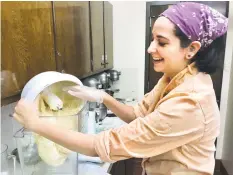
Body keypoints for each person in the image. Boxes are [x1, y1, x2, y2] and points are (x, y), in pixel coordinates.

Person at [13, 2, 228, 175]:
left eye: (162, 42)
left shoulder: (190, 101)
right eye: (153, 39)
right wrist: (104, 97)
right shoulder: (173, 79)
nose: (150, 48)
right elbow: (138, 115)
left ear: (191, 49)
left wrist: (36, 124)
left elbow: (101, 145)